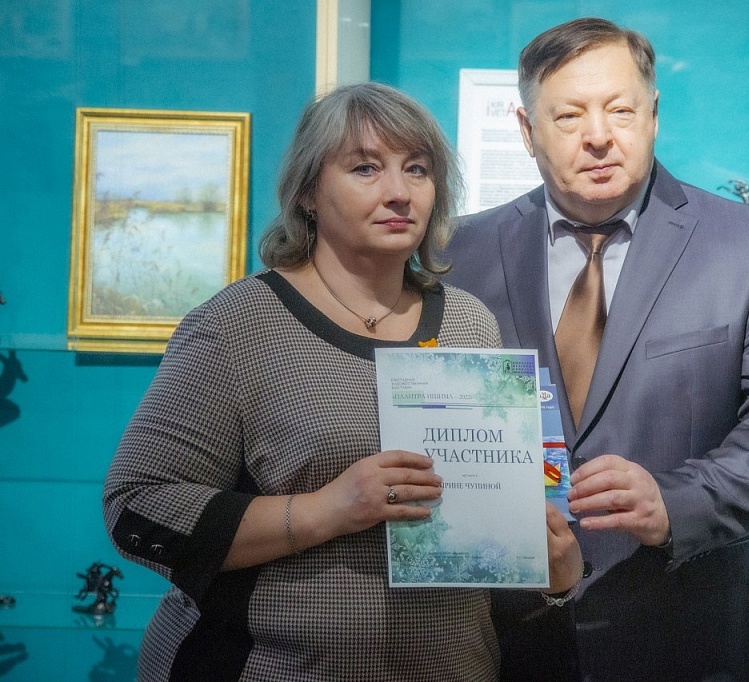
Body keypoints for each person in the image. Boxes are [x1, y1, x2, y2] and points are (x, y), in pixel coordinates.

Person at [102, 82, 581, 681]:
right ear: (308, 191)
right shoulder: (237, 325)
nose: (399, 192)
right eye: (365, 168)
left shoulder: (468, 321)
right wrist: (328, 509)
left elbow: (487, 520)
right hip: (275, 667)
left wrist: (549, 563)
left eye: (417, 169)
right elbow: (138, 505)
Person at [444, 17, 749, 681]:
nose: (599, 135)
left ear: (653, 114)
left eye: (620, 110)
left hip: (694, 637)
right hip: (507, 644)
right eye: (569, 115)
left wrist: (675, 502)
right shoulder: (458, 253)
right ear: (527, 131)